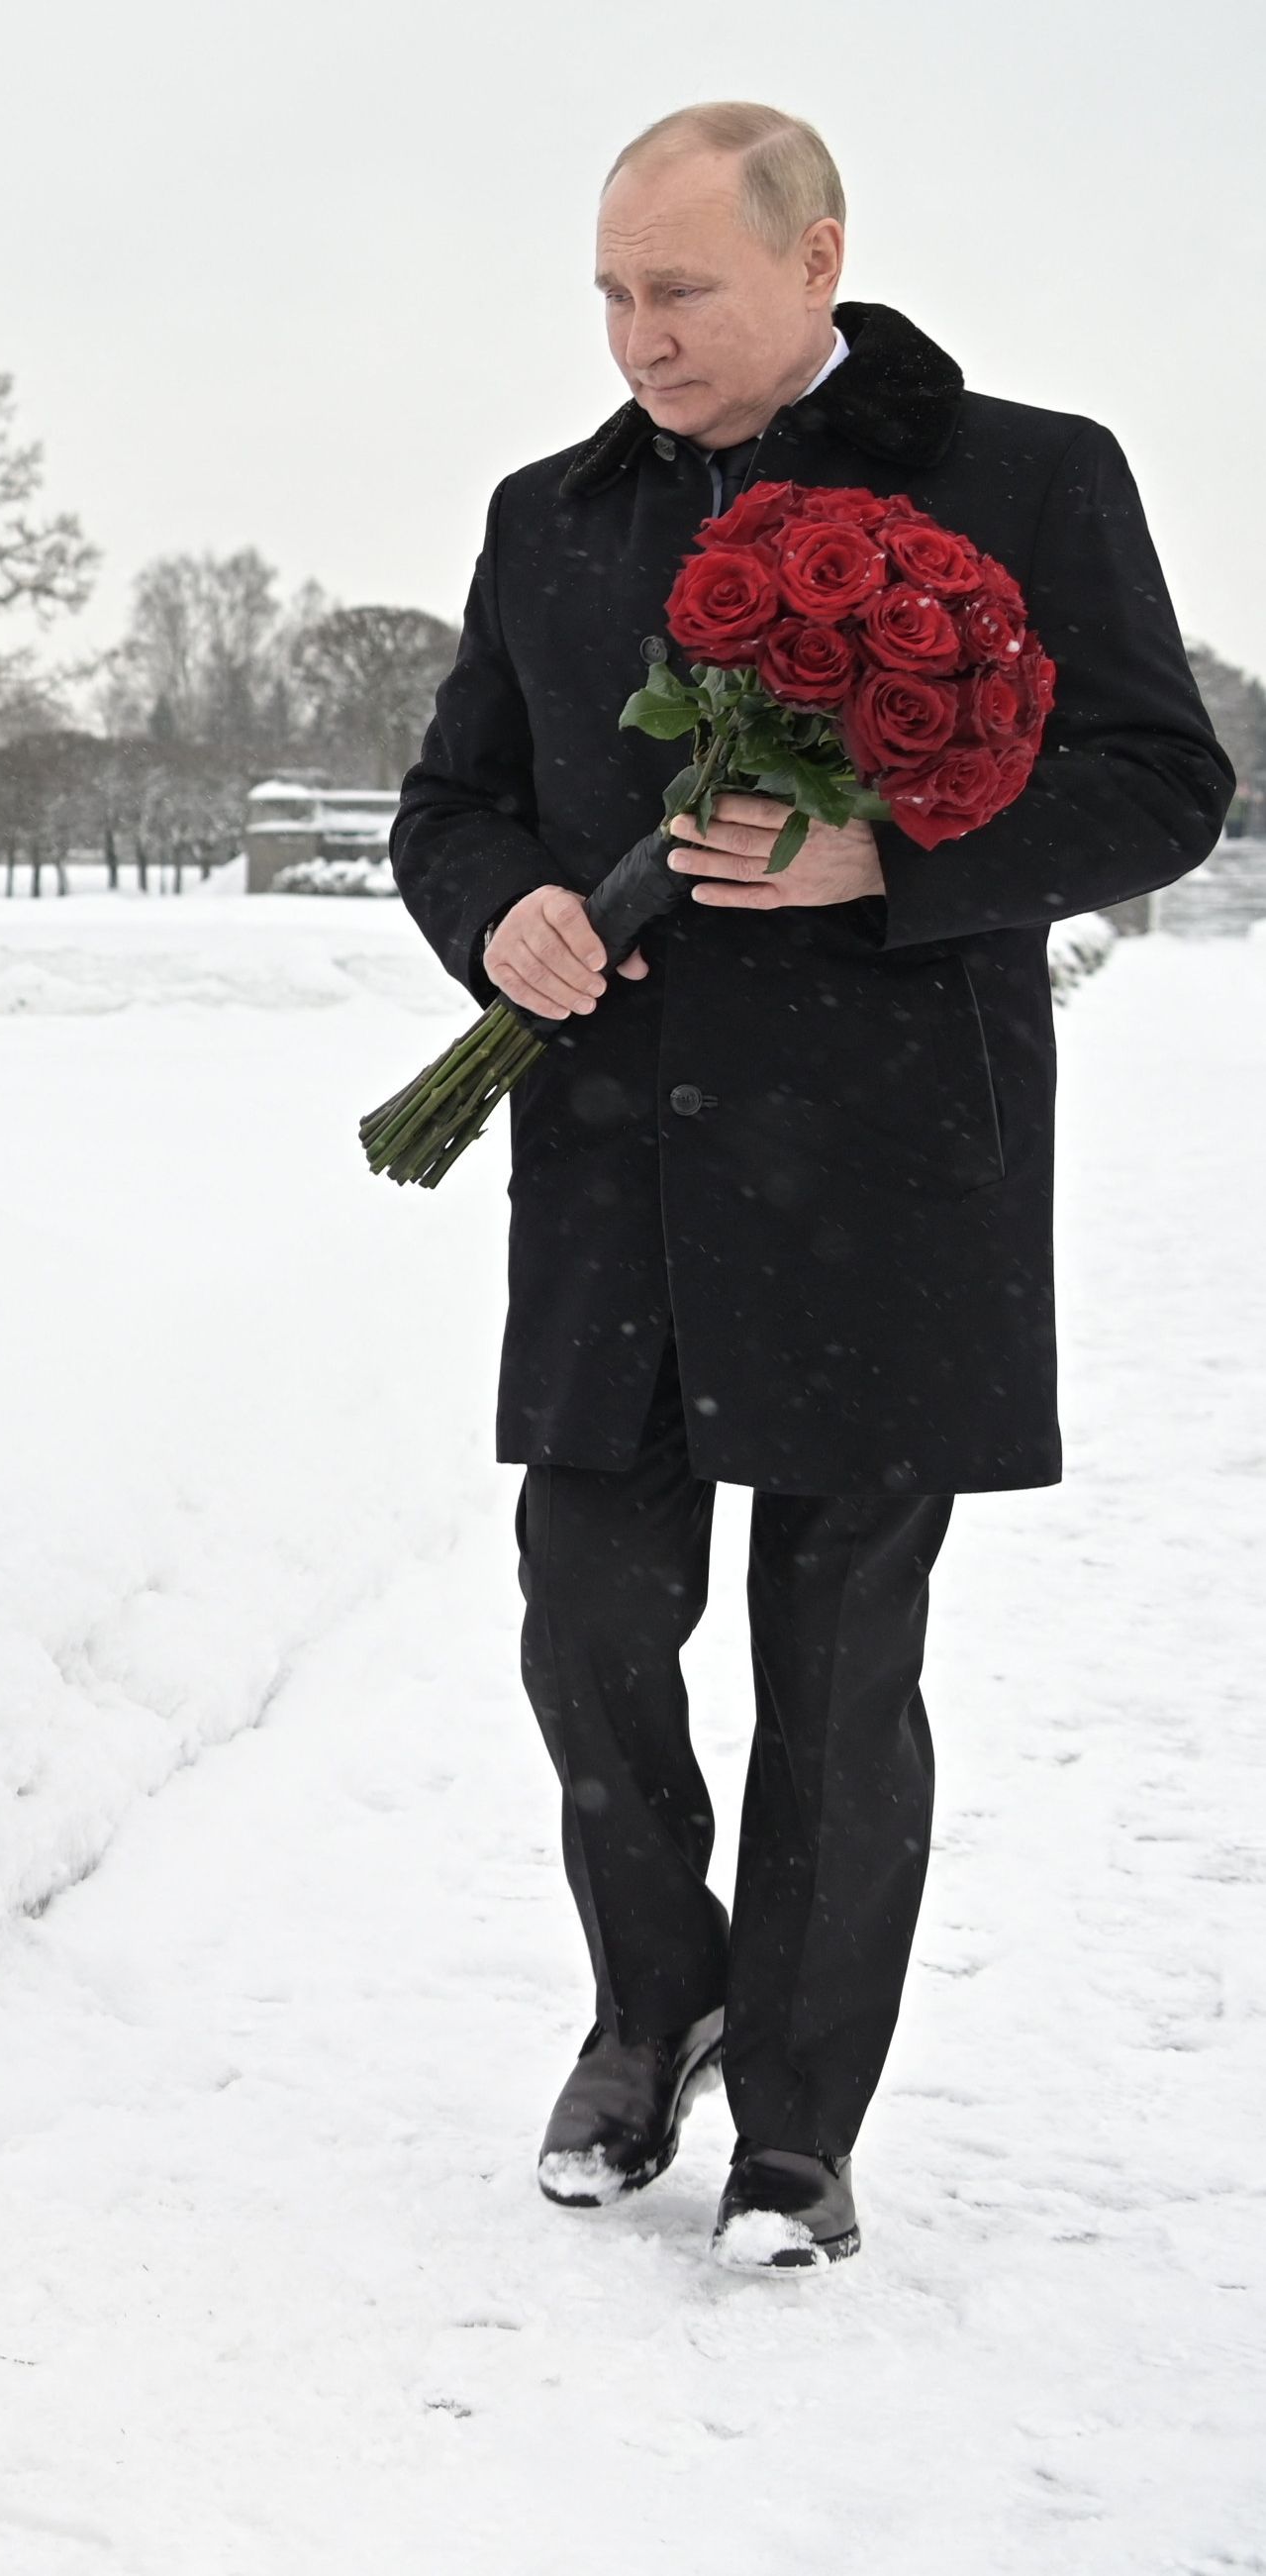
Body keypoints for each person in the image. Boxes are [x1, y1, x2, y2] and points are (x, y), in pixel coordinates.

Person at [390, 102, 1233, 2268]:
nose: (633, 335)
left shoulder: (1024, 475)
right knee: (584, 1618)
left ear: (812, 260)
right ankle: (648, 2000)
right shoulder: (546, 517)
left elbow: (1159, 782)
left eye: (676, 290)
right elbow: (451, 800)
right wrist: (498, 919)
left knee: (837, 1660)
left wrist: (893, 855)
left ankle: (795, 2115)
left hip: (887, 1173)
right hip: (611, 1166)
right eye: (605, 290)